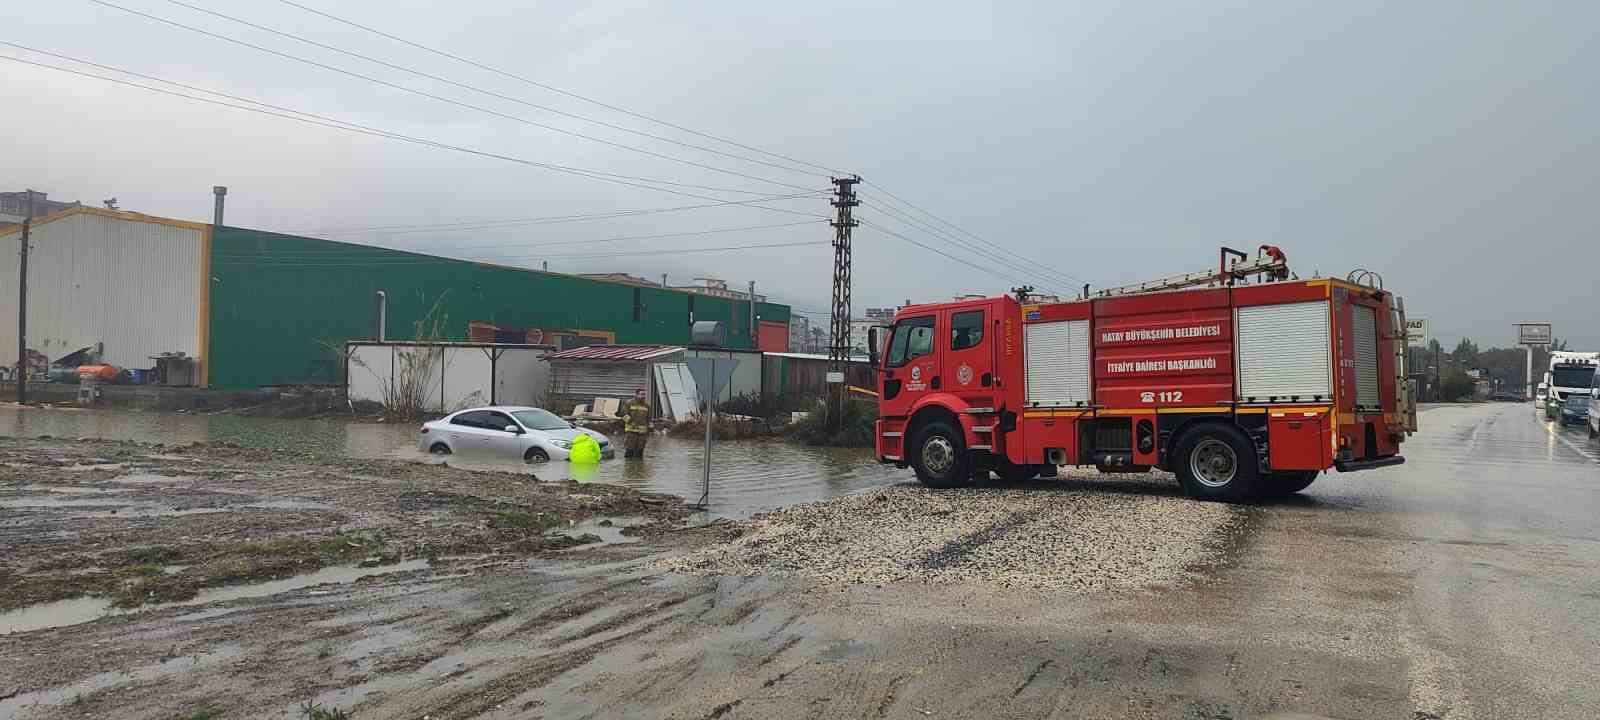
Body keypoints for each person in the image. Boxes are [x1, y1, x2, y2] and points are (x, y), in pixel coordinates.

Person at [617, 387, 651, 458]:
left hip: (642, 434)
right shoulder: (629, 403)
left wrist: (650, 429)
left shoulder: (647, 406)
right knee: (629, 452)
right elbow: (623, 414)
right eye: (641, 394)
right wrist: (630, 422)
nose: (643, 396)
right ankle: (629, 467)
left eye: (644, 394)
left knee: (640, 452)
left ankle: (639, 467)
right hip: (631, 432)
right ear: (636, 394)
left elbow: (648, 419)